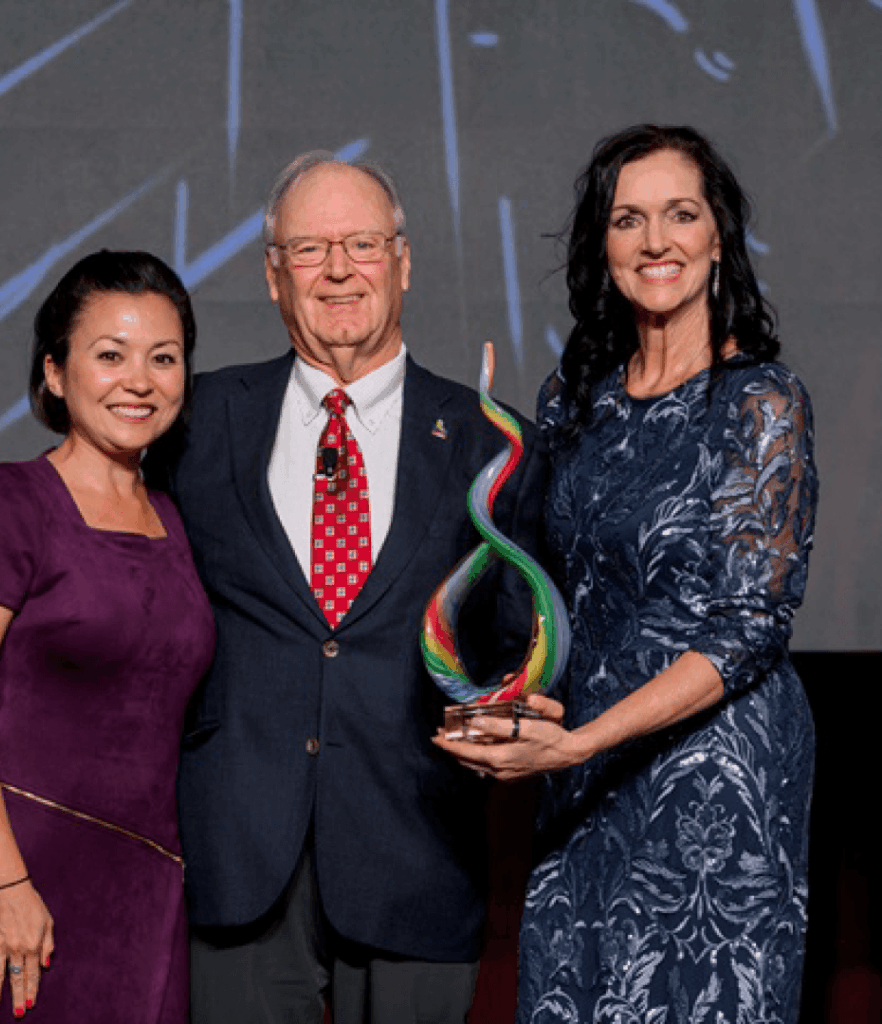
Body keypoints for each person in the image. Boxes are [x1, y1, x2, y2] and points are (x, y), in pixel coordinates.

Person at [145, 152, 541, 1024]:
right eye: (309, 247)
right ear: (272, 273)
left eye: (361, 243)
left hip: (418, 855)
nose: (337, 269)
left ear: (403, 261)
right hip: (237, 854)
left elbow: (518, 641)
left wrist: (524, 710)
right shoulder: (193, 421)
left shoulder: (491, 439)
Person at [434, 125, 817, 1023]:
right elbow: (556, 593)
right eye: (628, 219)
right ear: (600, 247)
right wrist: (513, 707)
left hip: (714, 777)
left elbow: (748, 626)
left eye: (681, 215)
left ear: (718, 236)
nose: (656, 242)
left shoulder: (760, 400)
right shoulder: (578, 399)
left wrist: (579, 742)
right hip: (587, 777)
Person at [0, 250, 215, 1022]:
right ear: (54, 371)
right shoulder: (8, 501)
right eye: (110, 355)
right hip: (13, 885)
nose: (139, 380)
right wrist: (6, 884)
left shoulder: (177, 519)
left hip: (141, 894)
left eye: (163, 359)